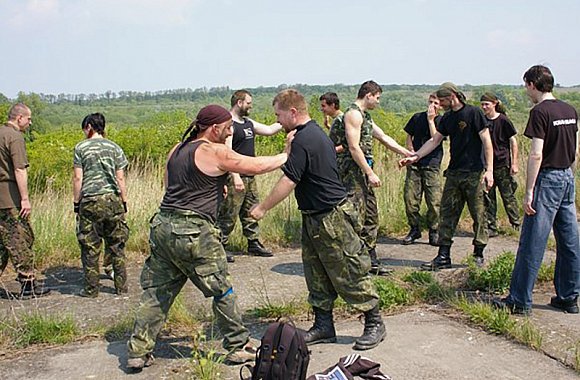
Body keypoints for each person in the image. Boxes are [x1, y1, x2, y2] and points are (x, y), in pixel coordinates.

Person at [127, 105, 292, 370]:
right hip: (194, 231)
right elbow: (256, 166)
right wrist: (286, 155)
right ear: (214, 128)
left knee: (157, 292)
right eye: (227, 129)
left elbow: (170, 185)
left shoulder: (177, 149)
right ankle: (237, 346)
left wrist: (212, 190)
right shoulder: (213, 150)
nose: (229, 133)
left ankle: (138, 350)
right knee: (222, 289)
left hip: (163, 226)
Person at [250, 89, 386, 351]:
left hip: (331, 217)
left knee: (348, 271)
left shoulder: (307, 137)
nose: (277, 120)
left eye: (278, 115)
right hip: (314, 216)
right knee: (317, 275)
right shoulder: (306, 135)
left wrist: (262, 208)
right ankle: (324, 325)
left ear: (292, 112)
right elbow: (294, 166)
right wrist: (288, 149)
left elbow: (289, 180)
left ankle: (374, 322)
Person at [494, 65, 579, 315]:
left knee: (533, 241)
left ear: (532, 84)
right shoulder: (569, 109)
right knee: (570, 241)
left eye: (526, 85)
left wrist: (530, 190)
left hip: (548, 178)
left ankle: (519, 300)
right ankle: (569, 297)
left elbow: (536, 154)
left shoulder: (540, 112)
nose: (525, 90)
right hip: (567, 176)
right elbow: (574, 150)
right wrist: (570, 177)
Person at [400, 82, 494, 270]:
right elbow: (435, 140)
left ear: (452, 96)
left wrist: (489, 170)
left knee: (479, 214)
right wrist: (416, 156)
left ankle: (478, 253)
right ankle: (443, 255)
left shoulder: (473, 113)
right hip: (453, 173)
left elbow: (487, 141)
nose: (439, 105)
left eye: (442, 100)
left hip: (474, 173)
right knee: (447, 214)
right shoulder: (447, 118)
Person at [335, 80, 412, 276]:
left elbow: (384, 137)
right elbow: (353, 147)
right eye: (377, 98)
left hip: (363, 174)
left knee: (370, 215)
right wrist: (369, 173)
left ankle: (371, 261)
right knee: (354, 218)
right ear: (368, 95)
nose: (378, 102)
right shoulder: (352, 114)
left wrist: (407, 153)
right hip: (351, 174)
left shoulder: (365, 117)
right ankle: (353, 264)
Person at [216, 90, 283, 262]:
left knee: (251, 210)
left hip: (250, 176)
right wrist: (235, 176)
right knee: (229, 213)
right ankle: (220, 246)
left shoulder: (248, 123)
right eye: (248, 103)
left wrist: (285, 120)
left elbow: (269, 130)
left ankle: (253, 243)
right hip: (235, 177)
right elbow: (227, 153)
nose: (250, 106)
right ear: (239, 102)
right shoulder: (229, 125)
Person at [73, 113, 129, 297]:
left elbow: (78, 178)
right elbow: (120, 178)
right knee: (117, 246)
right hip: (113, 200)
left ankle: (91, 290)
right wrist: (124, 201)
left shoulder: (80, 148)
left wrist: (76, 203)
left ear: (89, 126)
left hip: (90, 200)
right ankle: (121, 288)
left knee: (90, 247)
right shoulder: (115, 147)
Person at [0, 103, 50, 299]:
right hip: (9, 196)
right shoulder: (14, 137)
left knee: (2, 243)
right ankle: (28, 283)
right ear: (19, 118)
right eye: (28, 119)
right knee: (21, 238)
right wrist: (25, 199)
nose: (30, 123)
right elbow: (20, 169)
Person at [402, 94, 443, 246]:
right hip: (415, 163)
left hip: (432, 163)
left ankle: (434, 230)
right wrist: (410, 151)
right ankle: (414, 228)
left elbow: (436, 139)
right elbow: (409, 135)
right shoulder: (417, 117)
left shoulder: (441, 121)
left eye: (436, 103)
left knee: (434, 201)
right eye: (430, 102)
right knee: (410, 198)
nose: (432, 105)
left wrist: (431, 120)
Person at [480, 92, 521, 236]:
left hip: (502, 164)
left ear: (495, 104)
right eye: (482, 104)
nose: (484, 107)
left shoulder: (503, 120)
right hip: (486, 166)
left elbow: (513, 141)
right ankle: (492, 227)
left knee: (508, 195)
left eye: (487, 104)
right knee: (488, 198)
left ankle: (516, 224)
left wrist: (514, 163)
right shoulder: (482, 120)